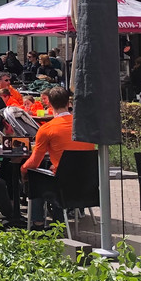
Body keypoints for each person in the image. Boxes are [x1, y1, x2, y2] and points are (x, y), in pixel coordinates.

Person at [20, 86, 94, 229]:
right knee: (53, 172)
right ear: (68, 103)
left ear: (50, 104)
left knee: (34, 176)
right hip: (87, 182)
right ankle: (60, 220)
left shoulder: (47, 129)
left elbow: (34, 162)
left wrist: (23, 170)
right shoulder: (84, 126)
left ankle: (38, 223)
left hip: (62, 184)